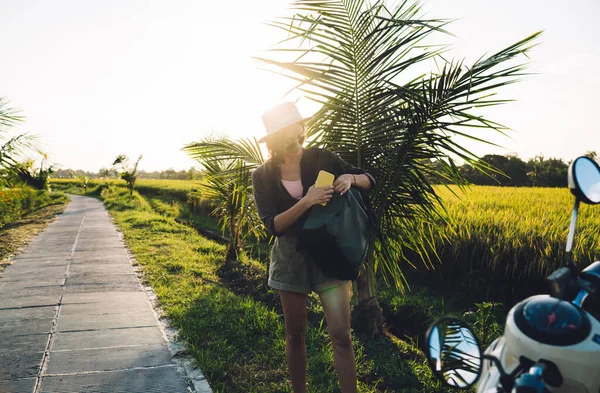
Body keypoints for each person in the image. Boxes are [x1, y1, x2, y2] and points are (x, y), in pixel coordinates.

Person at [252, 101, 376, 393]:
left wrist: (349, 178)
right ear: (273, 141)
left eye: (297, 134)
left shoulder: (324, 158)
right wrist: (306, 201)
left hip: (330, 256)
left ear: (302, 130)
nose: (294, 143)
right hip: (290, 260)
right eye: (286, 139)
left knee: (342, 335)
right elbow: (273, 225)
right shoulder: (263, 175)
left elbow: (370, 180)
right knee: (295, 335)